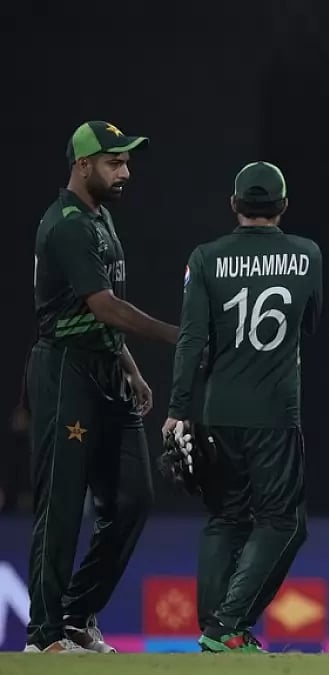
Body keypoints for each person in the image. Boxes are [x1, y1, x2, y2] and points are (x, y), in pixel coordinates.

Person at [25, 120, 178, 653]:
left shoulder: (101, 218)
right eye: (115, 162)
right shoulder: (66, 224)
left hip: (107, 369)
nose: (125, 172)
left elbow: (104, 312)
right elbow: (104, 306)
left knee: (135, 498)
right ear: (83, 164)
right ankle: (43, 637)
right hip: (66, 371)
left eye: (127, 162)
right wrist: (179, 337)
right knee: (62, 506)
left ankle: (76, 616)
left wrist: (131, 368)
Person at [163, 162, 323, 652]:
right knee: (284, 522)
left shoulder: (205, 257)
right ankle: (225, 625)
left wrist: (177, 408)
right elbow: (310, 323)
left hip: (216, 409)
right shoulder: (306, 254)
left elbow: (192, 340)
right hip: (275, 410)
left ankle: (216, 631)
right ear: (283, 207)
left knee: (225, 517)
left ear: (234, 205)